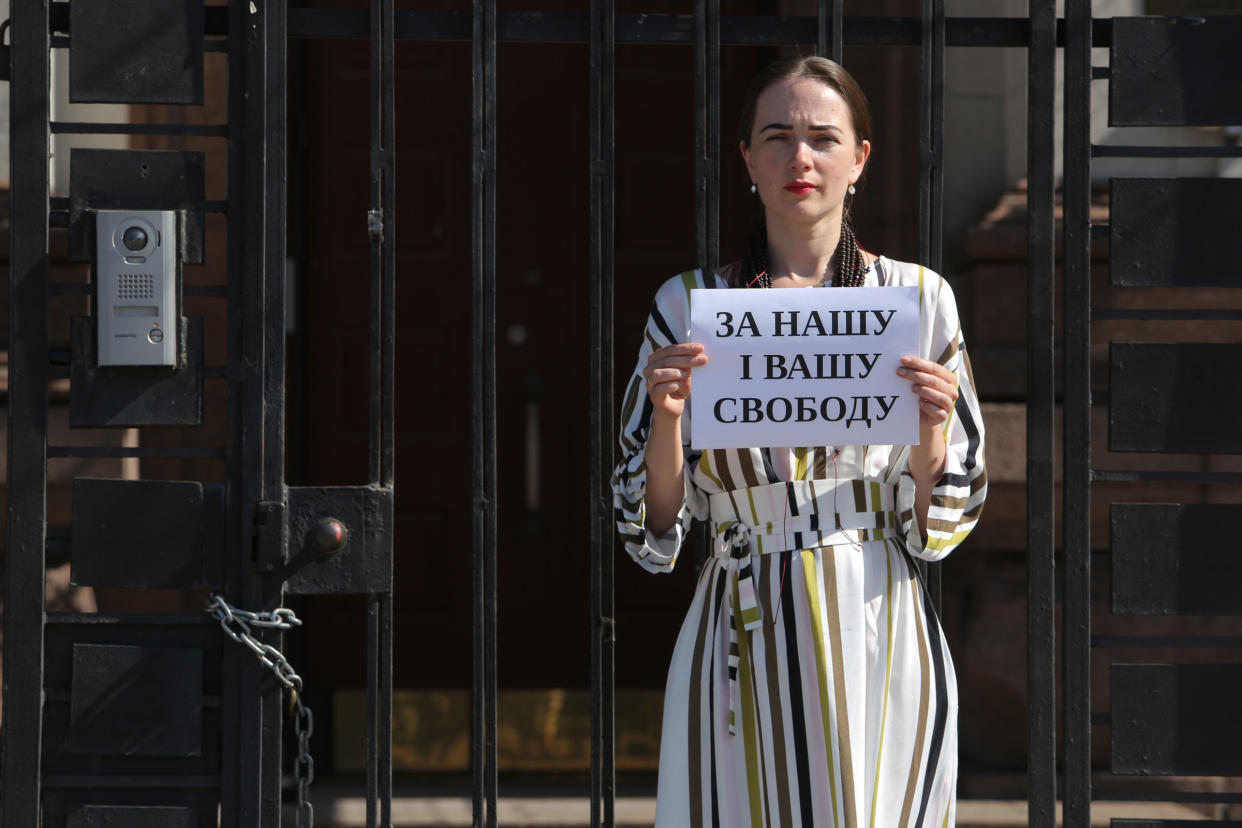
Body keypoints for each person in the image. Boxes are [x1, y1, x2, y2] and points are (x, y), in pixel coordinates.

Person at [612, 56, 987, 827]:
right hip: (743, 621)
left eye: (823, 136)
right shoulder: (689, 308)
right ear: (747, 158)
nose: (800, 158)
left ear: (860, 158)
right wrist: (669, 423)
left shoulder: (917, 301)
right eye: (777, 136)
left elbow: (943, 525)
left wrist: (930, 432)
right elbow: (653, 533)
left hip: (876, 618)